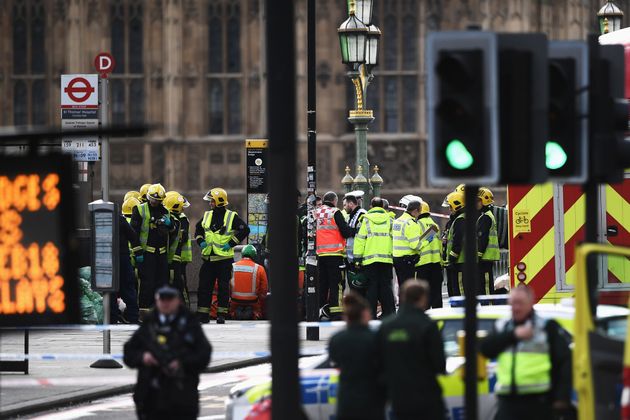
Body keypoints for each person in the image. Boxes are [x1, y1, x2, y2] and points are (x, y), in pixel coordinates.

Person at [480, 286, 572, 420]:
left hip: (538, 402)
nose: (516, 308)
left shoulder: (546, 327)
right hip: (508, 402)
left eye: (520, 303)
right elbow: (486, 349)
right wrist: (513, 335)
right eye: (512, 303)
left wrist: (561, 397)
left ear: (531, 303)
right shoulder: (502, 326)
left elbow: (564, 362)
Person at [123, 285, 212, 420]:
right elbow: (129, 351)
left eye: (169, 300)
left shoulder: (189, 324)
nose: (165, 303)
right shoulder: (150, 323)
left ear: (177, 301)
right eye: (162, 300)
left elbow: (203, 354)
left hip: (181, 398)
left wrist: (182, 362)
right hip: (150, 398)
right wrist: (143, 357)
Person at [376, 280, 446, 420]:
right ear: (423, 298)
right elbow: (439, 365)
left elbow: (378, 362)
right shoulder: (427, 325)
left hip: (399, 396)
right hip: (426, 394)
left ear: (402, 297)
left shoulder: (386, 326)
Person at [195, 187, 250, 324]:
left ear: (219, 201)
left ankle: (221, 314)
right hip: (208, 259)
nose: (210, 203)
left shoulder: (231, 216)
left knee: (223, 288)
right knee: (204, 287)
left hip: (224, 259)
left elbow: (245, 230)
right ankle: (203, 314)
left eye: (212, 201)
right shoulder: (207, 215)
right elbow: (198, 229)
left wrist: (231, 243)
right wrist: (201, 241)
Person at [329, 292, 386, 420]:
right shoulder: (375, 338)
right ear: (365, 314)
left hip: (347, 399)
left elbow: (335, 362)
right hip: (372, 398)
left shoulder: (337, 339)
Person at [131, 183, 177, 316]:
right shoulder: (139, 210)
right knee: (147, 284)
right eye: (152, 199)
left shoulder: (165, 211)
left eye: (157, 200)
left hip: (161, 254)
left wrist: (170, 225)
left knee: (162, 284)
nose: (155, 202)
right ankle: (144, 313)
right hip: (146, 254)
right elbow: (133, 233)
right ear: (148, 197)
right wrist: (138, 251)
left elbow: (174, 232)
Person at [353, 197, 395, 319]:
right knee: (386, 287)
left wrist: (357, 259)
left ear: (371, 206)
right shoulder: (390, 219)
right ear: (382, 206)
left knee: (372, 287)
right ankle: (390, 314)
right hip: (386, 259)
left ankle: (371, 315)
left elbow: (360, 240)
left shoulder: (365, 220)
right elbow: (395, 239)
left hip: (370, 260)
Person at [315, 191, 354, 321]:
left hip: (320, 254)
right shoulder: (335, 212)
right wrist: (354, 230)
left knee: (322, 283)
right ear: (334, 201)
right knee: (336, 283)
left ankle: (320, 309)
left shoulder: (316, 212)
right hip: (335, 254)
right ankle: (336, 312)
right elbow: (345, 231)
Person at [113, 197, 142, 323]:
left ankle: (112, 317)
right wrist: (139, 252)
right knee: (129, 289)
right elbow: (133, 236)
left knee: (110, 291)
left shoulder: (101, 222)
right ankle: (133, 317)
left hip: (107, 260)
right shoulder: (121, 220)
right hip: (123, 258)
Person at [163, 192, 190, 306]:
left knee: (179, 284)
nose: (183, 209)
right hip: (165, 257)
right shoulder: (166, 217)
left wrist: (171, 228)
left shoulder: (182, 220)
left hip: (179, 258)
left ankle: (185, 308)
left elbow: (181, 238)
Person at [415, 201, 443, 308]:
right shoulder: (435, 225)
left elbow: (418, 243)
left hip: (422, 263)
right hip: (436, 263)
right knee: (436, 294)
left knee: (423, 294)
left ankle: (425, 316)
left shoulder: (417, 225)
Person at [229, 244, 268, 320]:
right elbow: (264, 289)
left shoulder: (232, 266)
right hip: (253, 302)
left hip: (235, 301)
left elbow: (226, 284)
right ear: (254, 256)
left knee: (231, 311)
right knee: (259, 310)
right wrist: (260, 298)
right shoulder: (259, 268)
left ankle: (232, 314)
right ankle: (255, 315)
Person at [392, 199, 422, 291]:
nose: (419, 214)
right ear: (415, 211)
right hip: (407, 260)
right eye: (419, 212)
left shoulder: (397, 221)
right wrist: (427, 240)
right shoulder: (411, 223)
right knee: (409, 288)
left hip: (396, 258)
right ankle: (408, 305)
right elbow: (415, 245)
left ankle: (403, 305)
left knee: (402, 286)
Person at [477, 187, 500, 296]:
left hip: (485, 258)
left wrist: (478, 255)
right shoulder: (486, 215)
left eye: (477, 200)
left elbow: (483, 238)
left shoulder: (485, 217)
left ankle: (489, 308)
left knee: (486, 286)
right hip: (486, 257)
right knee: (483, 285)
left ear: (483, 201)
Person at [444, 190, 466, 296]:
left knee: (460, 292)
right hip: (461, 261)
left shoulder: (460, 220)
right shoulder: (461, 218)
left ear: (457, 206)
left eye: (450, 207)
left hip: (459, 262)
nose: (449, 209)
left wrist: (451, 259)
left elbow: (458, 243)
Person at [342, 191, 367, 266]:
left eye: (345, 205)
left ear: (351, 204)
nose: (344, 208)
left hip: (359, 256)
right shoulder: (350, 216)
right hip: (351, 256)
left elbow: (359, 233)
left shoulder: (362, 214)